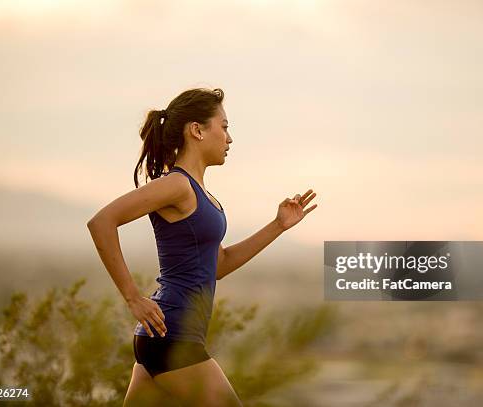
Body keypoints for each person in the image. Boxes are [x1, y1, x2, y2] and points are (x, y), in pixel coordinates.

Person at [86, 87, 318, 406]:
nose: (229, 138)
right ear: (196, 130)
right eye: (223, 127)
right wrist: (132, 298)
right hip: (173, 336)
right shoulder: (176, 185)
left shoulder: (199, 192)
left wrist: (278, 226)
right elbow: (102, 222)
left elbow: (218, 264)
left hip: (161, 338)